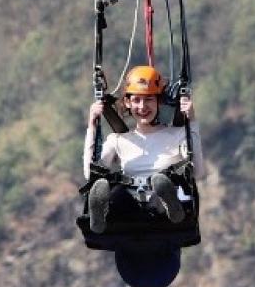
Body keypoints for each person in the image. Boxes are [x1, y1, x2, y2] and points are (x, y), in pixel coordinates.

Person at [83, 65, 203, 234]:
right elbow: (90, 174)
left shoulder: (178, 135)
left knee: (161, 184)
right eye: (137, 100)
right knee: (115, 192)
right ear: (127, 102)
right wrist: (92, 125)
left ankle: (167, 204)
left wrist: (192, 122)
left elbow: (197, 172)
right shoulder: (118, 140)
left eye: (149, 100)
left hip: (164, 219)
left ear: (159, 101)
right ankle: (101, 214)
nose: (142, 107)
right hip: (128, 215)